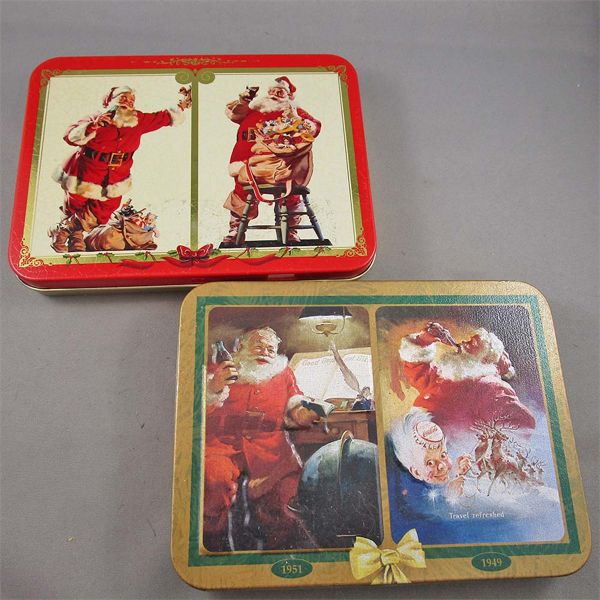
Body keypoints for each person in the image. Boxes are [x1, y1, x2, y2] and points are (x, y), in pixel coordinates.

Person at [203, 327, 319, 550]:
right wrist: (214, 386)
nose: (265, 352)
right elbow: (195, 411)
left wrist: (305, 413)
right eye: (258, 346)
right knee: (213, 481)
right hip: (222, 447)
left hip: (272, 451)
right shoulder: (219, 371)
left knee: (288, 496)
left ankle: (278, 552)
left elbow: (295, 404)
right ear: (241, 347)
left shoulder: (283, 374)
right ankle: (214, 548)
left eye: (270, 349)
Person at [49, 85, 191, 252]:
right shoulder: (96, 117)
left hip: (117, 174)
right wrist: (93, 126)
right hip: (86, 169)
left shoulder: (138, 120)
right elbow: (70, 136)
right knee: (75, 204)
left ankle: (62, 229)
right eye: (123, 98)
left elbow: (163, 117)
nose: (128, 102)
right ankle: (76, 240)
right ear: (110, 100)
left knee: (104, 209)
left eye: (132, 100)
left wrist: (183, 103)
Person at [221, 76, 321, 246]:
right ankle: (235, 230)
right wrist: (244, 100)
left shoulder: (293, 111)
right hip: (247, 166)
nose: (274, 95)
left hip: (281, 166)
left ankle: (290, 230)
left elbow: (314, 127)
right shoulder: (254, 109)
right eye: (271, 91)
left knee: (290, 195)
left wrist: (295, 117)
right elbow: (235, 113)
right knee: (241, 192)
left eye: (280, 92)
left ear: (289, 96)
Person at [397, 322, 536, 444]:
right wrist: (423, 340)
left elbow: (523, 426)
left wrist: (474, 447)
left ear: (485, 359)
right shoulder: (448, 374)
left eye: (473, 343)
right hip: (410, 438)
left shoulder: (491, 387)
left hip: (441, 452)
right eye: (468, 340)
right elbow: (417, 371)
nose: (464, 343)